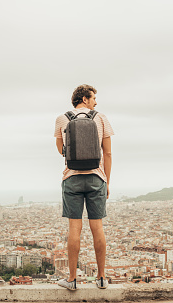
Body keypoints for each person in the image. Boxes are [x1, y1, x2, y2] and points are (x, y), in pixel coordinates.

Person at [54, 84, 114, 290]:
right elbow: (107, 153)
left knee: (74, 229)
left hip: (72, 178)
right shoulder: (101, 118)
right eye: (94, 98)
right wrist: (106, 180)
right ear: (85, 99)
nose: (96, 102)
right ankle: (101, 278)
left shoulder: (62, 119)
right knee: (97, 228)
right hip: (96, 177)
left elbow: (61, 150)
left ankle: (71, 280)